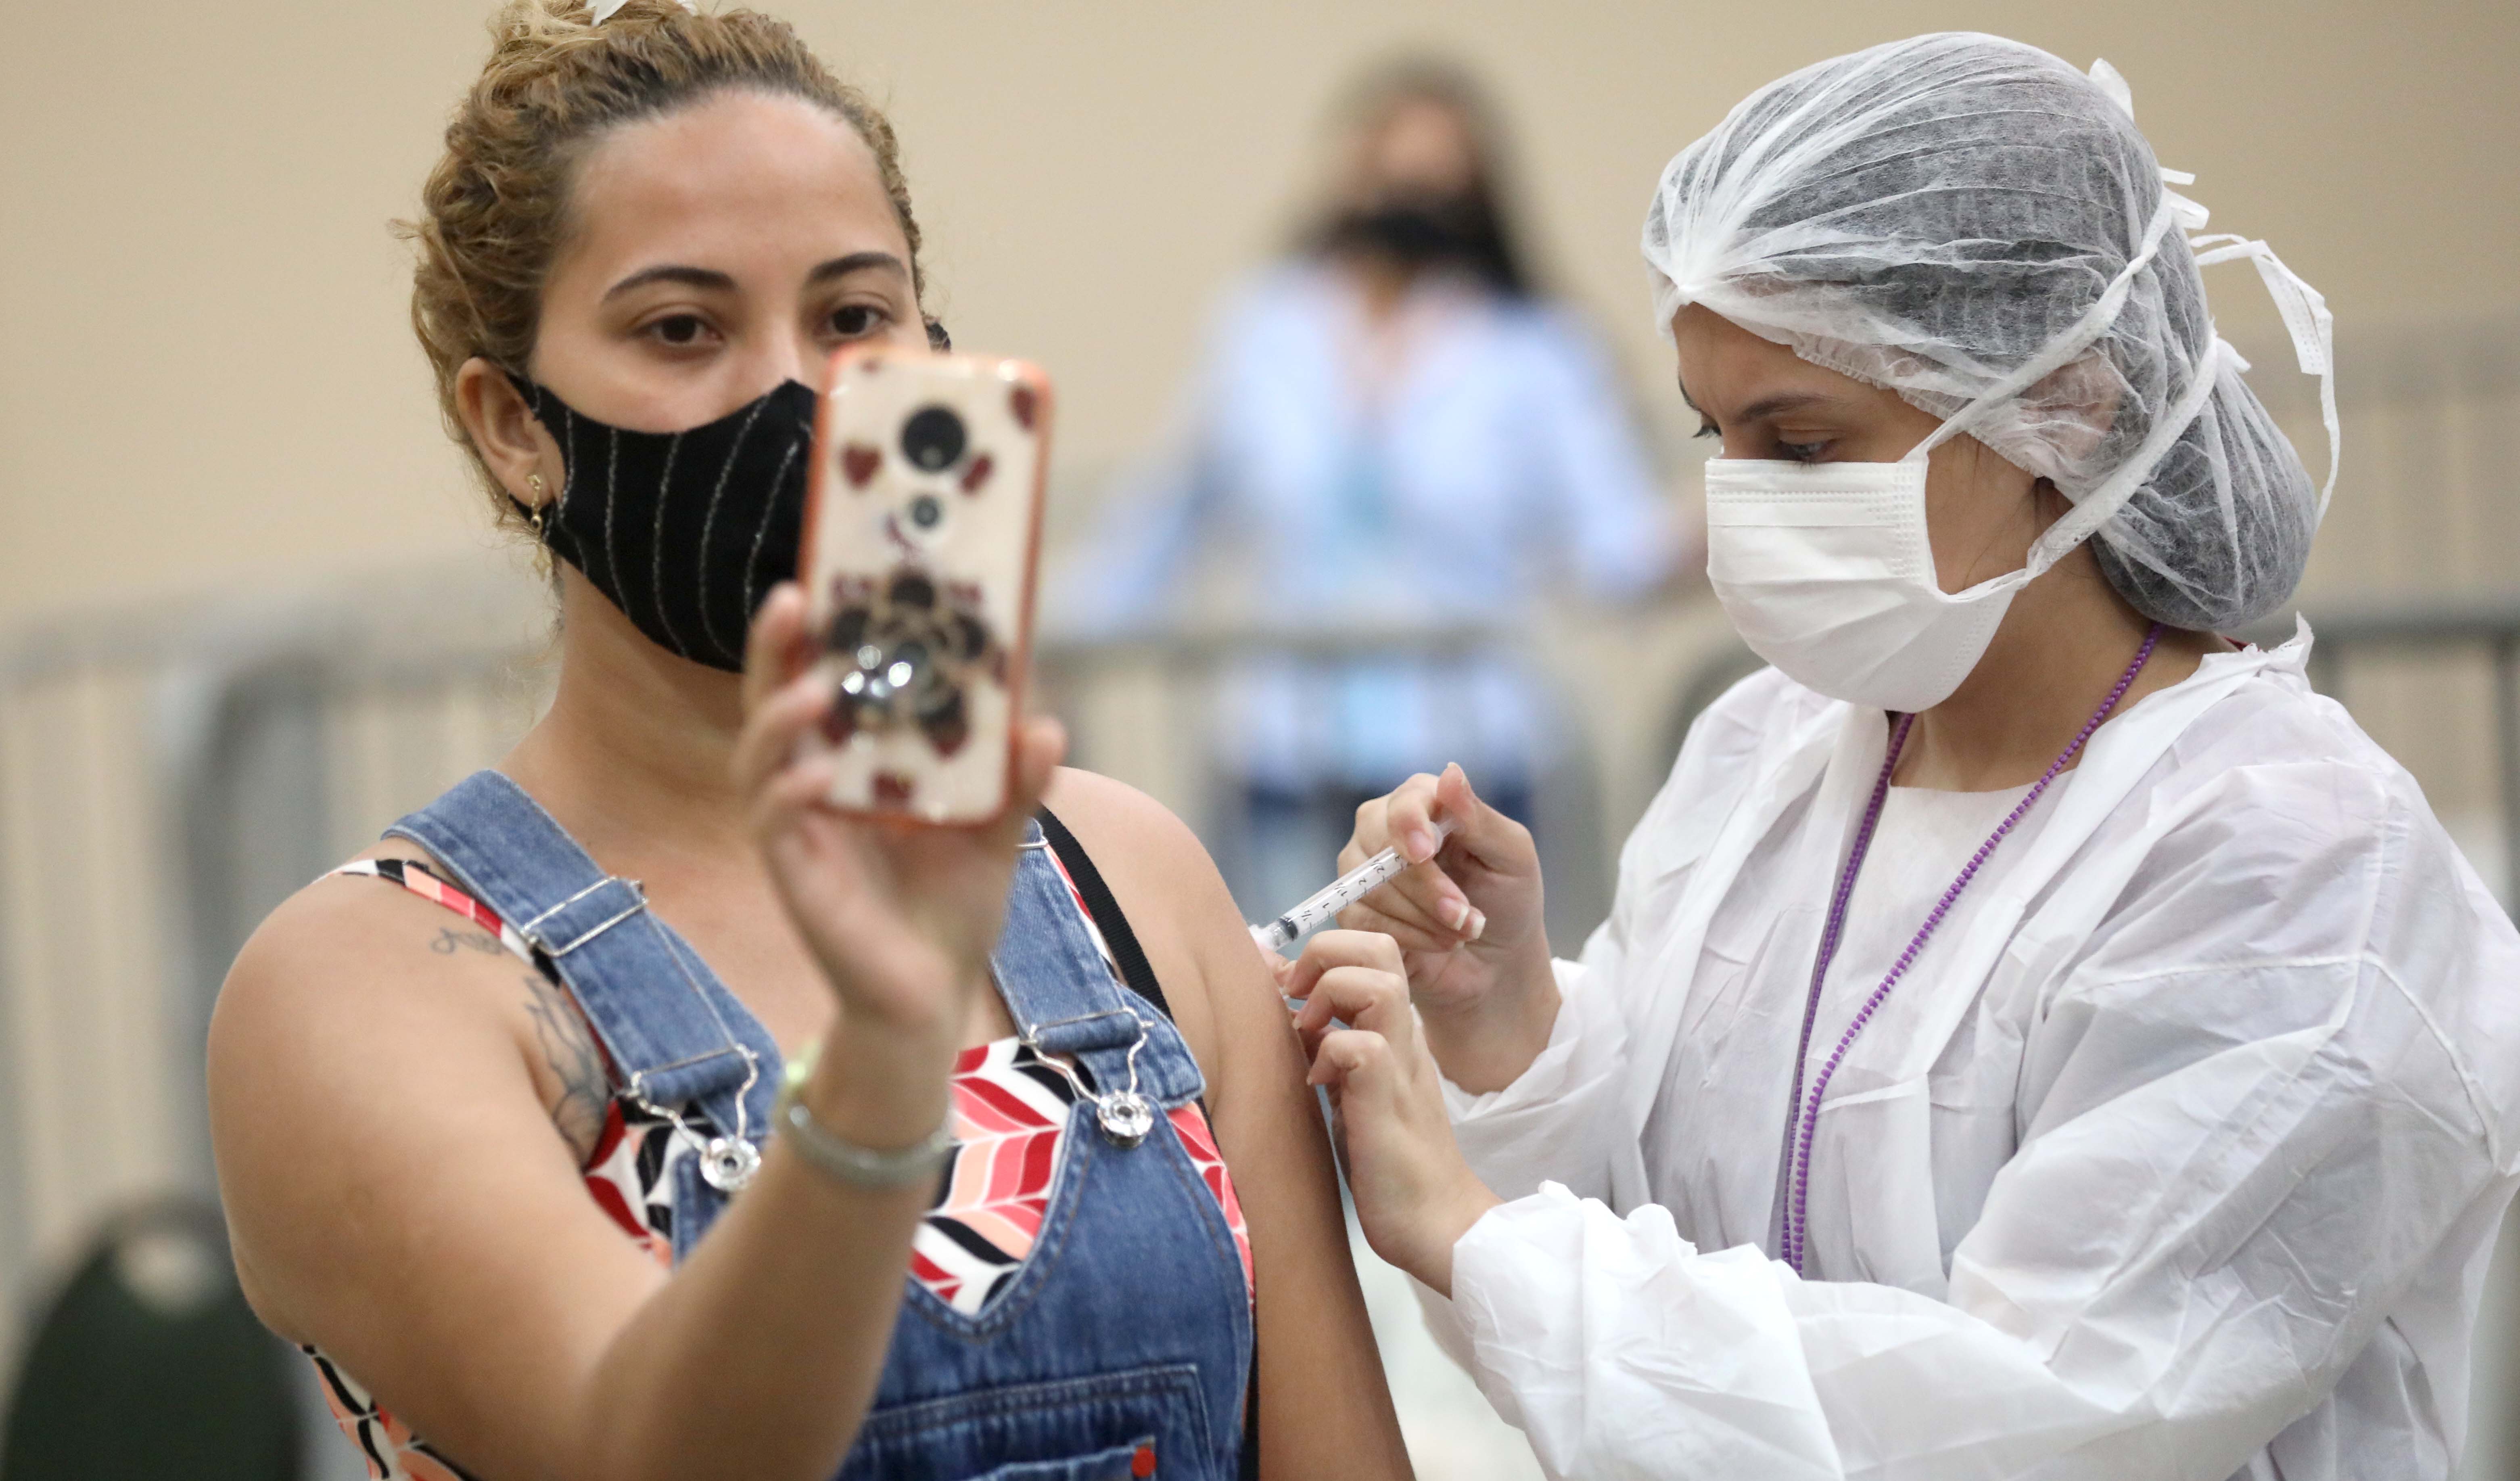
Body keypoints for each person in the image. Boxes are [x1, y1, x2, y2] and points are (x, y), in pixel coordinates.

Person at [1285, 32, 2520, 1481]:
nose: (1734, 505)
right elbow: (1647, 1297)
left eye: (1801, 445)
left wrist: (1473, 1235)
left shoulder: (2292, 871)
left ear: (2061, 401)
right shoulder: (1771, 757)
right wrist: (1508, 1027)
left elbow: (2022, 1423)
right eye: (1713, 433)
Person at [204, 5, 1412, 1479]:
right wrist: (885, 1066)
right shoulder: (369, 987)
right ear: (513, 424)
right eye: (681, 329)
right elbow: (642, 1446)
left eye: (853, 317)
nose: (800, 396)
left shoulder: (1128, 878)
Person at [1061, 59, 1678, 917]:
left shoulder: (1534, 348)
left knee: (1461, 1005)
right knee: (1291, 998)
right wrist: (1050, 632)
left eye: (1438, 183)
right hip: (1280, 749)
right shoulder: (1265, 327)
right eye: (1390, 173)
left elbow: (1618, 541)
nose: (1408, 202)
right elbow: (1170, 511)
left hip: (1470, 754)